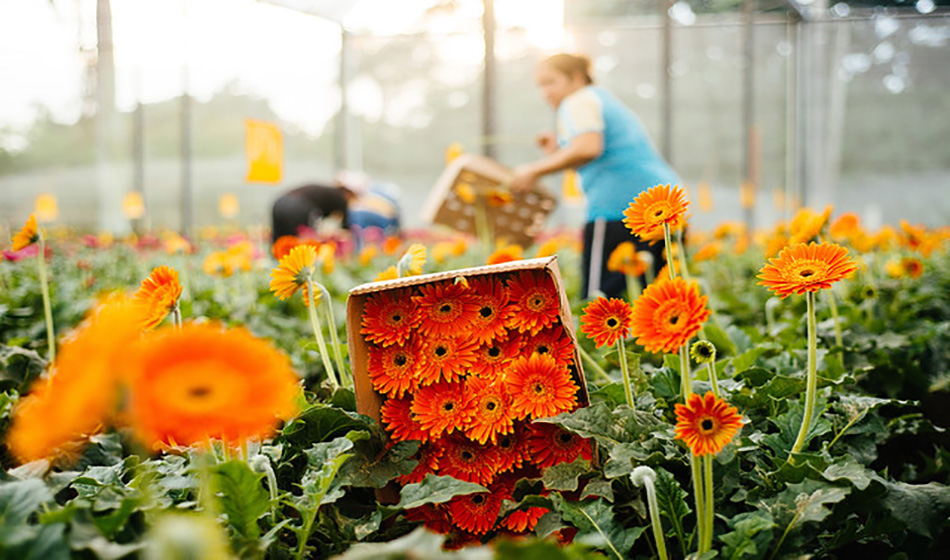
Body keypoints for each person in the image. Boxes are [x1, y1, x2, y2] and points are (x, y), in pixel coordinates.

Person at [510, 53, 681, 299]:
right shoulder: (600, 99)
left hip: (621, 209)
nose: (545, 92)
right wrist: (559, 150)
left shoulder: (577, 101)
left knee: (599, 301)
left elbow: (589, 148)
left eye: (550, 82)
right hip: (665, 206)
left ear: (577, 78)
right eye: (540, 85)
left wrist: (534, 170)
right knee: (660, 301)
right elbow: (599, 151)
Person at [270, 171, 400, 246]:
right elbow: (346, 226)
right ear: (348, 193)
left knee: (279, 242)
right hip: (298, 208)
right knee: (297, 244)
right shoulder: (341, 198)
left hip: (278, 203)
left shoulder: (328, 192)